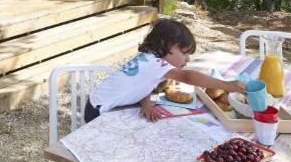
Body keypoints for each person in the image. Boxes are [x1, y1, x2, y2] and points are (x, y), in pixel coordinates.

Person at [85, 19, 246, 123]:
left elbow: (142, 84)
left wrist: (146, 103)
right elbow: (188, 77)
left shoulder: (149, 58)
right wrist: (227, 85)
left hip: (101, 104)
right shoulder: (155, 64)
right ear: (166, 45)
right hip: (97, 112)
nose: (187, 59)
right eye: (184, 52)